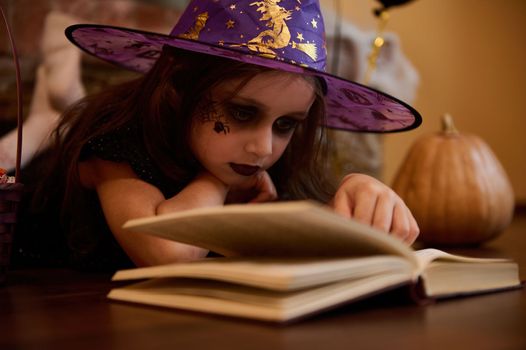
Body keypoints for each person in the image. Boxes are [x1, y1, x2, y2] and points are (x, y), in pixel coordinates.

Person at [14, 0, 421, 271]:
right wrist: (216, 182)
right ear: (178, 86)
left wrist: (359, 192)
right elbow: (168, 252)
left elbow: (301, 243)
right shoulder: (115, 139)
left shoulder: (254, 161)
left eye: (286, 125)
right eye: (241, 113)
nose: (263, 147)